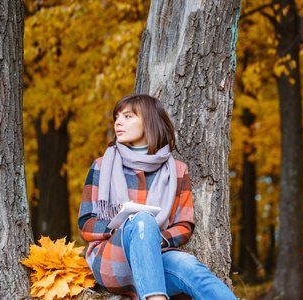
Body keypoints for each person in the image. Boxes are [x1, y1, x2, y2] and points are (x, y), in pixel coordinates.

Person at [78, 94, 237, 300]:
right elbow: (85, 224)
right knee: (142, 219)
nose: (118, 122)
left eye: (127, 116)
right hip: (112, 260)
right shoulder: (102, 166)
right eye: (117, 117)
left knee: (191, 267)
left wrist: (154, 239)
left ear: (149, 120)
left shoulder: (178, 170)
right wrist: (119, 228)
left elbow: (184, 226)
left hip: (157, 257)